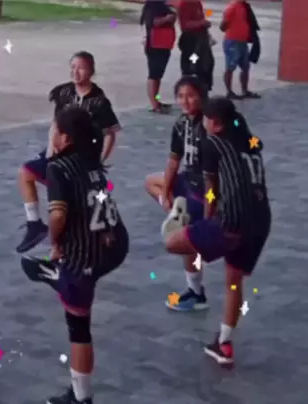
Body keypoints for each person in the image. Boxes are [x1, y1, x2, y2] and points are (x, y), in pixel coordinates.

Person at [22, 107, 129, 404]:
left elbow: (58, 216)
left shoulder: (58, 168)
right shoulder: (92, 162)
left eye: (54, 130)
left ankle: (81, 398)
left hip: (85, 256)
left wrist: (55, 243)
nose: (51, 135)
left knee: (79, 328)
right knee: (79, 298)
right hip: (116, 244)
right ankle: (59, 273)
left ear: (66, 138)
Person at [164, 97, 270, 366]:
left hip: (232, 222)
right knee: (234, 282)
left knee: (172, 241)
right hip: (260, 223)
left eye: (206, 120)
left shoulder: (211, 144)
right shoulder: (252, 143)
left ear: (216, 123)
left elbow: (211, 191)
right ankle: (224, 344)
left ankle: (198, 278)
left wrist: (207, 222)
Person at [16, 51, 121, 254]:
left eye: (81, 68)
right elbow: (55, 123)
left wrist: (99, 160)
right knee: (25, 172)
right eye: (73, 67)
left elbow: (110, 133)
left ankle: (74, 242)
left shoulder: (99, 101)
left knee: (74, 198)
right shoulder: (64, 93)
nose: (75, 72)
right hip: (59, 150)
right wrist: (51, 148)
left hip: (82, 157)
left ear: (91, 71)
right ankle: (34, 223)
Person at [144, 76, 209, 311]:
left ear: (201, 97)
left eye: (190, 95)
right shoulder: (181, 123)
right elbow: (174, 160)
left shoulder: (210, 123)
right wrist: (166, 195)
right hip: (187, 181)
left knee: (187, 243)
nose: (185, 101)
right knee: (152, 181)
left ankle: (196, 293)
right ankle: (176, 211)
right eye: (180, 96)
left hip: (205, 190)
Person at [140, 0, 177, 113]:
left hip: (163, 44)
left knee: (158, 76)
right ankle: (154, 104)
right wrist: (167, 18)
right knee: (154, 75)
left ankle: (157, 99)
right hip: (155, 45)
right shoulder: (153, 5)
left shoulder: (163, 4)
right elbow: (152, 22)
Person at [220, 0, 261, 99]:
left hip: (242, 41)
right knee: (230, 67)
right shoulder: (232, 7)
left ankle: (244, 90)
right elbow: (223, 26)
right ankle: (229, 92)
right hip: (232, 41)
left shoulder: (244, 6)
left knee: (246, 66)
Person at [177, 0, 215, 92]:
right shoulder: (185, 4)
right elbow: (185, 25)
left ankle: (204, 89)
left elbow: (199, 19)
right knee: (192, 65)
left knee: (207, 64)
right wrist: (201, 23)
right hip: (191, 41)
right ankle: (189, 90)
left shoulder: (197, 3)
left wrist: (204, 24)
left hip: (201, 40)